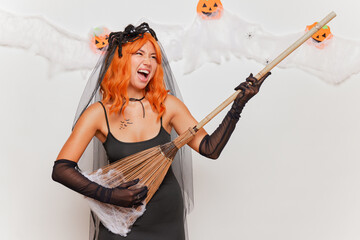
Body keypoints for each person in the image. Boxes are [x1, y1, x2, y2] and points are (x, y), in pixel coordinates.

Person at [52, 23, 270, 240]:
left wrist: (238, 105)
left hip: (166, 219)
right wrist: (110, 195)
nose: (148, 61)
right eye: (139, 54)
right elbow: (62, 169)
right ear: (121, 60)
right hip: (122, 222)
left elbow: (209, 148)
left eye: (154, 57)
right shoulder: (98, 113)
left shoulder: (168, 105)